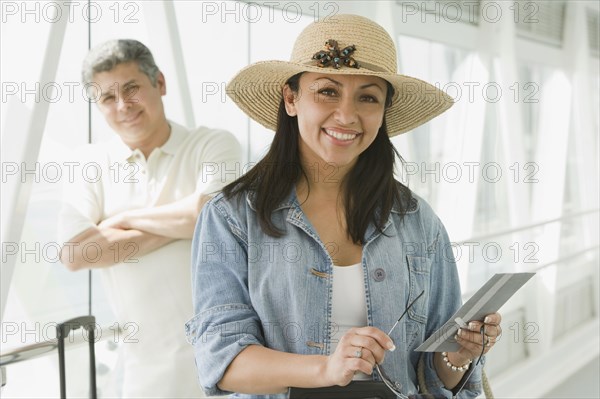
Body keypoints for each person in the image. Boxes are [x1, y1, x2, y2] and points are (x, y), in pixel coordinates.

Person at [186, 15, 501, 398]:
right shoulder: (230, 217)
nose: (347, 115)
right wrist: (327, 368)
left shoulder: (418, 221)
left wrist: (460, 354)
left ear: (383, 111)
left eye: (367, 97)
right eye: (327, 92)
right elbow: (222, 361)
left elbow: (434, 382)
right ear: (291, 98)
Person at [58, 39, 241, 398]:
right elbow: (75, 255)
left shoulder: (214, 145)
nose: (123, 105)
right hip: (145, 374)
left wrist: (122, 219)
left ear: (159, 83)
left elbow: (208, 214)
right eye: (108, 98)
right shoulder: (88, 165)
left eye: (132, 89)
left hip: (229, 360)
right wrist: (188, 221)